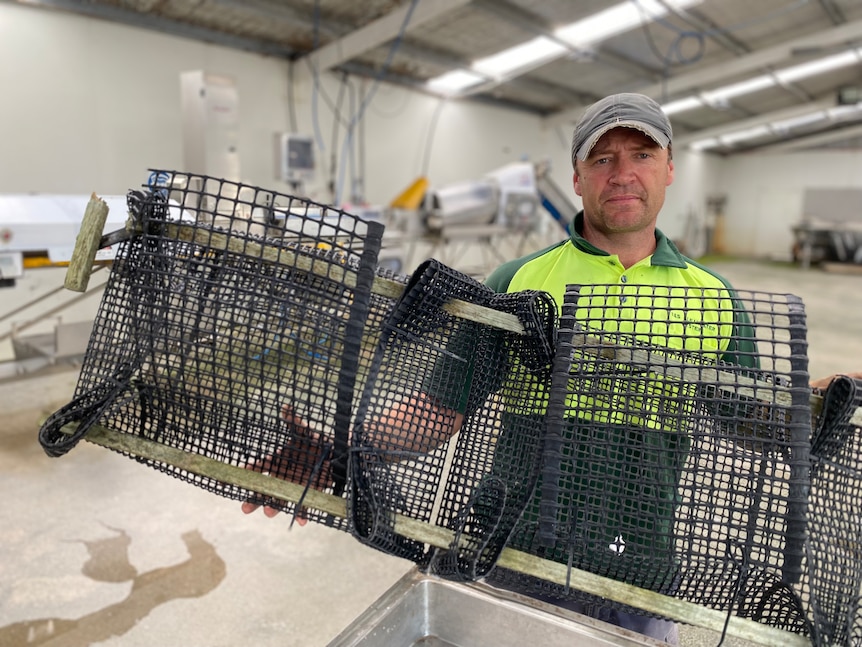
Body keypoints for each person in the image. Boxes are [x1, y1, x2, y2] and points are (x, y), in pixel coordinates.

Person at [243, 93, 860, 644]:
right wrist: (341, 447)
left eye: (641, 155)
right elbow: (437, 409)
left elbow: (747, 416)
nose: (622, 173)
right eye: (602, 159)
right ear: (577, 177)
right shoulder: (518, 281)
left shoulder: (712, 296)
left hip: (639, 573)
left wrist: (817, 401)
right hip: (511, 553)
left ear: (669, 169)